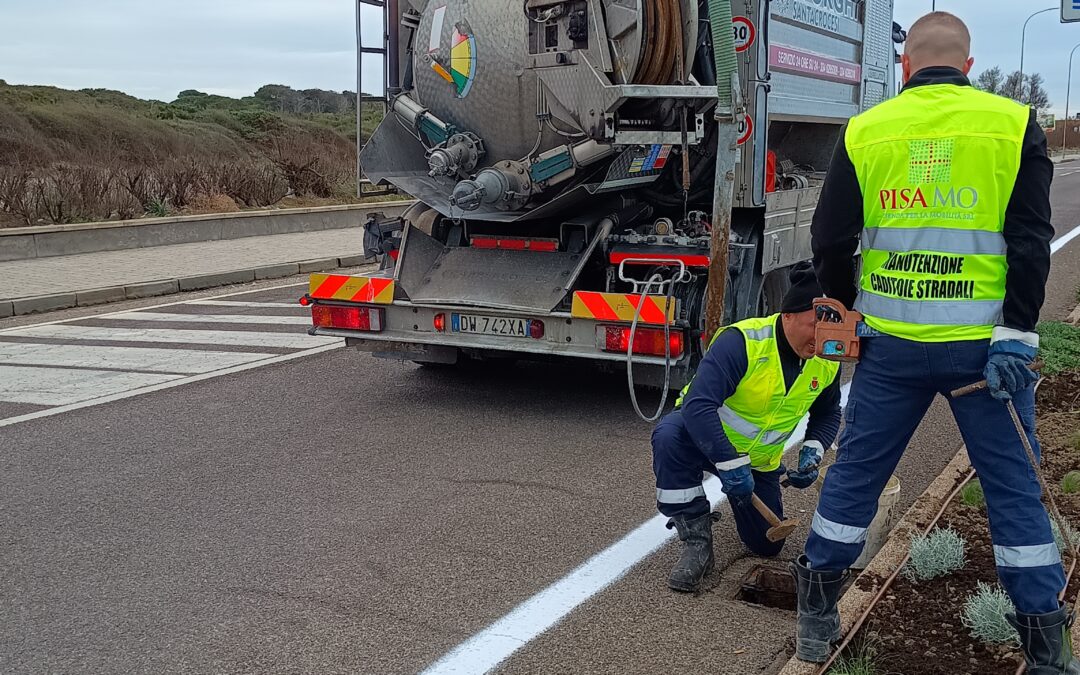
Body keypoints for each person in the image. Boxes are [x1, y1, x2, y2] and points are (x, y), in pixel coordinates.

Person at [796, 11, 1076, 673]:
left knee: (855, 478)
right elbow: (1030, 239)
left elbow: (830, 238)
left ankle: (815, 618)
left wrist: (845, 305)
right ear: (969, 66)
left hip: (890, 347)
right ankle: (1046, 649)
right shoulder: (1012, 124)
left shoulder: (867, 129)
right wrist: (1017, 331)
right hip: (987, 356)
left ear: (906, 66)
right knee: (1014, 491)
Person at [652, 263, 842, 592]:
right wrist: (729, 462)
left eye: (828, 328)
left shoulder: (826, 359)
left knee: (766, 546)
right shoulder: (743, 342)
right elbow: (698, 406)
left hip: (757, 463)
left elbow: (828, 413)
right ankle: (697, 542)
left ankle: (739, 496)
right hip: (705, 440)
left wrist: (813, 450)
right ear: (788, 315)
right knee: (669, 436)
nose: (821, 337)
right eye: (814, 325)